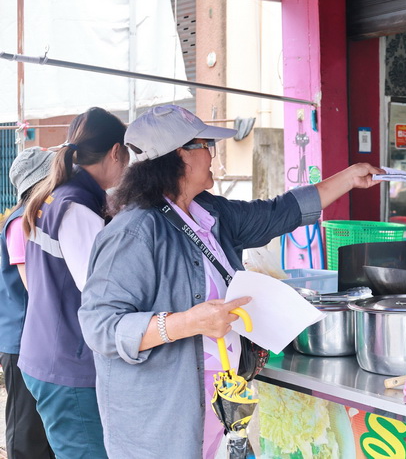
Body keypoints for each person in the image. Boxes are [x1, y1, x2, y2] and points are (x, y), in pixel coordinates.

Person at [78, 104, 384, 458]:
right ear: (180, 154)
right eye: (206, 145)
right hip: (163, 416)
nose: (212, 155)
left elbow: (278, 212)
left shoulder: (210, 212)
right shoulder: (134, 233)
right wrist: (188, 322)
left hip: (216, 402)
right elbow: (100, 326)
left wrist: (349, 178)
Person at [19, 107, 128, 458]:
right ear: (116, 151)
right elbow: (101, 292)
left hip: (49, 353)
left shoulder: (58, 195)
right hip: (67, 363)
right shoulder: (77, 207)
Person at [0, 147, 55, 459]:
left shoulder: (38, 217)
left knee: (43, 427)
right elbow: (36, 288)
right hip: (22, 340)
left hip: (36, 337)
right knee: (26, 430)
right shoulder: (21, 221)